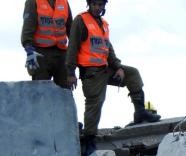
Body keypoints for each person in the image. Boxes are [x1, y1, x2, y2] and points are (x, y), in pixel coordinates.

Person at [66, 0, 160, 143]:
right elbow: (72, 48)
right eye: (94, 4)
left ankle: (140, 112)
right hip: (91, 73)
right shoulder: (80, 21)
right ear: (89, 4)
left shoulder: (103, 24)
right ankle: (89, 137)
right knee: (96, 102)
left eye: (100, 4)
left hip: (105, 69)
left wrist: (118, 67)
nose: (97, 7)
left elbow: (108, 49)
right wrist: (70, 73)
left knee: (132, 74)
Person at [21, 0, 73, 88]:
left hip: (62, 54)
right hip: (41, 54)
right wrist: (29, 50)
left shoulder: (64, 2)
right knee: (40, 90)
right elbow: (27, 28)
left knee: (65, 91)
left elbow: (71, 30)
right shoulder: (33, 2)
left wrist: (72, 62)